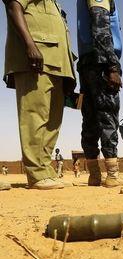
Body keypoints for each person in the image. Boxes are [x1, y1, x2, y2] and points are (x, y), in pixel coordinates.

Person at [3, 0, 76, 190]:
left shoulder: (55, 4)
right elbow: (13, 5)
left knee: (53, 120)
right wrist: (30, 44)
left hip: (58, 64)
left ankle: (45, 169)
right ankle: (36, 172)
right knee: (34, 115)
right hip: (37, 59)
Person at [77, 0, 123, 187]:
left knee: (90, 119)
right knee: (108, 116)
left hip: (87, 63)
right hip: (101, 63)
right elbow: (100, 23)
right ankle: (111, 175)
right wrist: (112, 66)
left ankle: (94, 175)